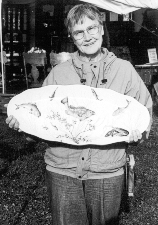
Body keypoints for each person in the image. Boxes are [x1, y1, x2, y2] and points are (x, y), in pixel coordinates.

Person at [6, 3, 152, 225]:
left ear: (102, 28)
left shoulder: (124, 71)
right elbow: (39, 124)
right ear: (72, 37)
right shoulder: (58, 74)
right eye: (79, 32)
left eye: (92, 28)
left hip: (107, 172)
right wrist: (23, 124)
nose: (87, 37)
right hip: (62, 171)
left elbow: (143, 117)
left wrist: (137, 133)